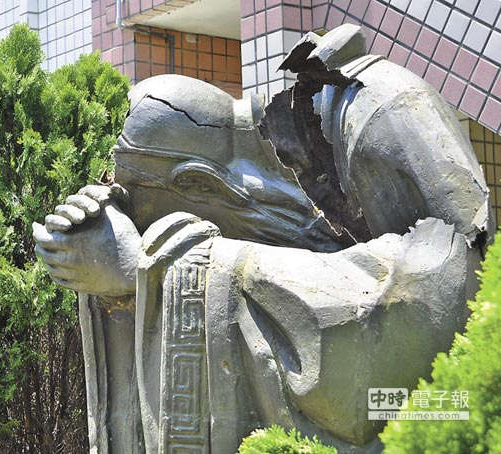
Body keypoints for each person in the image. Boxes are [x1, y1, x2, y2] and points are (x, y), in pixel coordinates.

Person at [33, 25, 491, 453]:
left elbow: (450, 290)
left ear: (199, 184)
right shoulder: (272, 169)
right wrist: (117, 276)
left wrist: (149, 266)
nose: (149, 236)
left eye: (147, 220)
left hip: (445, 407)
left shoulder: (383, 114)